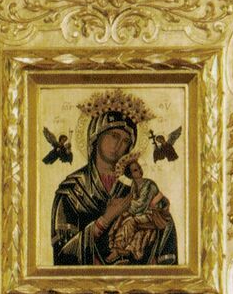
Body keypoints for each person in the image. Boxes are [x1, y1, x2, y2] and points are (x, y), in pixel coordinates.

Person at [51, 90, 177, 266]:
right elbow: (62, 255)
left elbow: (164, 230)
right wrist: (105, 220)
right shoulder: (72, 191)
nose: (119, 145)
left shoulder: (132, 189)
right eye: (114, 136)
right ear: (96, 135)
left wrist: (161, 218)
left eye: (125, 141)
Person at [106, 156, 173, 263]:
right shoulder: (134, 185)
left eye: (139, 168)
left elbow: (140, 205)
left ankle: (118, 249)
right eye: (135, 170)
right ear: (130, 175)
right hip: (143, 213)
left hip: (155, 215)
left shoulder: (149, 185)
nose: (140, 171)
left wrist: (123, 204)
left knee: (131, 221)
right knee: (122, 217)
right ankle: (119, 250)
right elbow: (134, 203)